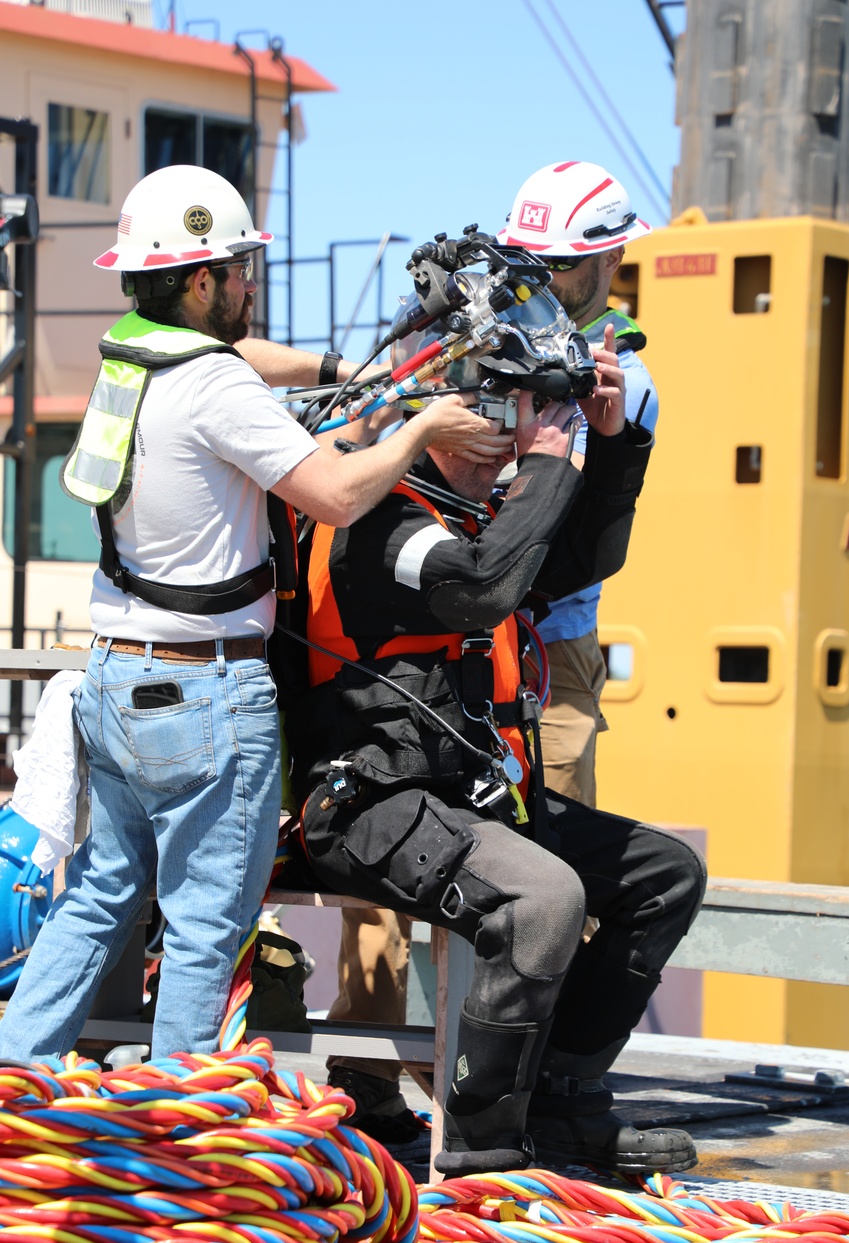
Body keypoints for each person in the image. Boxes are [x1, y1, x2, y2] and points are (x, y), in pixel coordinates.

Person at [0, 165, 495, 1066]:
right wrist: (422, 429)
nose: (249, 286)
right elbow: (338, 495)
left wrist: (355, 374)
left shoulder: (128, 358)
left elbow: (243, 366)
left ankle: (14, 1082)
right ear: (202, 281)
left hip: (114, 678)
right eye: (239, 271)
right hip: (204, 694)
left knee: (104, 893)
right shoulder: (217, 389)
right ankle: (179, 1129)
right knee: (204, 921)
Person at [282, 274, 706, 1177]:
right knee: (542, 901)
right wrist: (549, 465)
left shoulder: (487, 510)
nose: (511, 435)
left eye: (520, 414)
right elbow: (481, 584)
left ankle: (563, 1100)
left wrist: (611, 441)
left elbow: (582, 558)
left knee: (664, 877)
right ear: (441, 416)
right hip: (374, 803)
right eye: (501, 411)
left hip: (471, 795)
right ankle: (481, 1150)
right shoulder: (385, 524)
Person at [498, 161, 658, 807]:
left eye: (557, 263)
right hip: (445, 637)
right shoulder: (486, 341)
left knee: (558, 861)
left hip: (548, 653)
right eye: (523, 260)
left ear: (611, 256)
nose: (535, 280)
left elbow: (572, 541)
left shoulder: (626, 383)